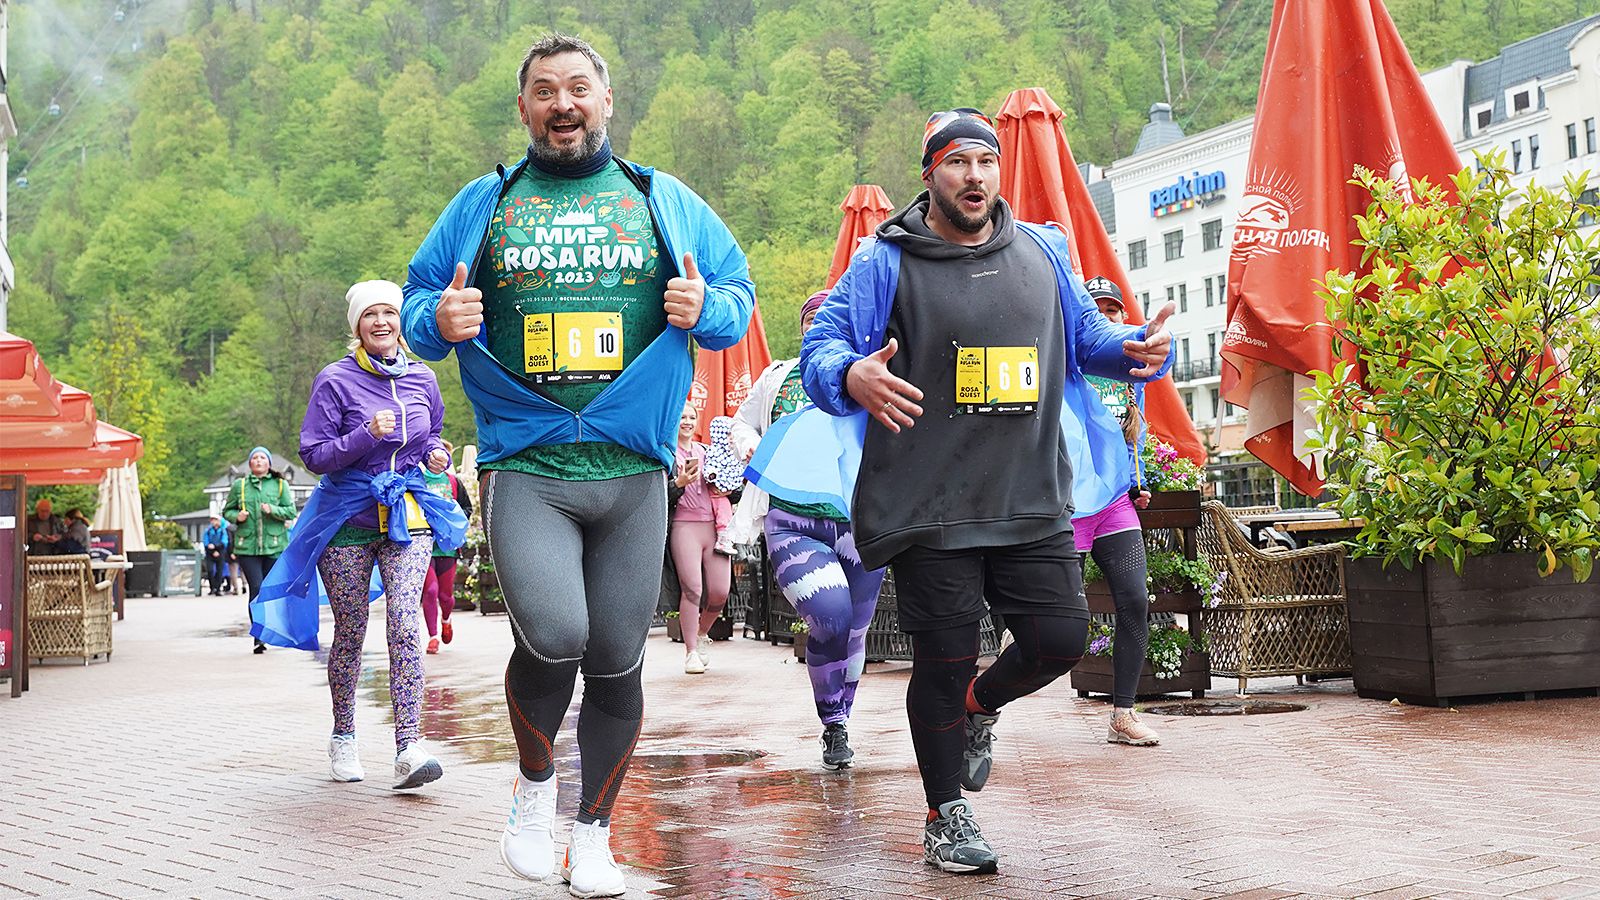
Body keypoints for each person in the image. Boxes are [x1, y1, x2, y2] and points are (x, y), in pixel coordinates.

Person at [399, 33, 753, 898]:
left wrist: (708, 307)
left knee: (617, 657)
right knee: (556, 634)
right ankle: (530, 791)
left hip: (633, 468)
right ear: (523, 108)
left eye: (579, 89)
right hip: (529, 464)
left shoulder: (659, 198)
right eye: (545, 91)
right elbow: (414, 303)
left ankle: (593, 833)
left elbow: (739, 301)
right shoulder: (486, 201)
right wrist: (435, 321)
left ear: (606, 101)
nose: (564, 105)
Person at [799, 108, 1175, 875]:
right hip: (929, 499)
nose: (974, 176)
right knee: (941, 658)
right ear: (930, 174)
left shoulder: (1043, 248)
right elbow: (822, 344)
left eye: (986, 162)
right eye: (957, 163)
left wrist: (1133, 350)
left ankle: (977, 709)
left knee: (1059, 640)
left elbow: (1086, 340)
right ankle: (946, 815)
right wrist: (849, 372)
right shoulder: (885, 262)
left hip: (1030, 491)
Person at [254, 279, 466, 791]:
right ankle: (344, 736)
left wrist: (435, 454)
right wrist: (363, 435)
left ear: (399, 322)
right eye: (370, 315)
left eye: (388, 313)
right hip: (347, 518)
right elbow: (314, 455)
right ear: (357, 326)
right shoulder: (335, 380)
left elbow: (430, 433)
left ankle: (409, 747)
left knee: (404, 621)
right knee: (350, 630)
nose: (381, 322)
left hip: (404, 513)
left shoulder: (423, 378)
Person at [732, 289, 888, 770]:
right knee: (831, 617)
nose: (818, 322)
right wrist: (759, 451)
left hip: (859, 520)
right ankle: (832, 722)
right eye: (811, 318)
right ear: (802, 329)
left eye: (829, 315)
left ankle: (842, 719)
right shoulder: (778, 378)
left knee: (857, 630)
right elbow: (741, 425)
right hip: (792, 519)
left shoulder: (867, 373)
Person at [1078, 276, 1161, 747]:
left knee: (1134, 601)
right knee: (1060, 620)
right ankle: (985, 708)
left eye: (1113, 311)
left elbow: (1133, 436)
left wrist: (1137, 482)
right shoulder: (1069, 362)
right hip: (1067, 505)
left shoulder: (1131, 373)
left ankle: (1123, 715)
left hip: (1113, 504)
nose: (1108, 318)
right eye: (1098, 311)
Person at [669, 401, 733, 675]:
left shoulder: (707, 451)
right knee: (692, 589)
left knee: (720, 592)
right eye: (682, 416)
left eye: (691, 417)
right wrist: (678, 483)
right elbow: (660, 494)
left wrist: (724, 481)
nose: (686, 421)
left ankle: (702, 633)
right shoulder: (666, 453)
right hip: (684, 526)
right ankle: (691, 651)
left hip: (715, 527)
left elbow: (731, 489)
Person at [224, 447, 295, 654]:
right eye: (254, 457)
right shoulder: (240, 486)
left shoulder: (280, 485)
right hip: (248, 547)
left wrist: (272, 510)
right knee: (256, 587)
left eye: (262, 457)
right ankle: (259, 636)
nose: (258, 460)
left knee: (271, 590)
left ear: (269, 463)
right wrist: (237, 516)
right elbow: (227, 510)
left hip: (274, 545)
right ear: (250, 463)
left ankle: (272, 628)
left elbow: (290, 511)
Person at [420, 441, 473, 654]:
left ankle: (446, 619)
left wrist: (454, 524)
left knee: (445, 596)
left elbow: (466, 508)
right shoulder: (418, 480)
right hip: (425, 544)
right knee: (430, 591)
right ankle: (432, 637)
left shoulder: (453, 481)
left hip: (448, 547)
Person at [203, 514, 232, 596]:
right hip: (210, 553)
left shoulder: (223, 531)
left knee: (220, 571)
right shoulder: (208, 530)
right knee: (210, 570)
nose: (213, 522)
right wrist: (212, 551)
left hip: (220, 552)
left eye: (215, 520)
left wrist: (216, 548)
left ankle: (218, 588)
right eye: (212, 520)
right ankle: (212, 587)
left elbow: (224, 542)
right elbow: (205, 542)